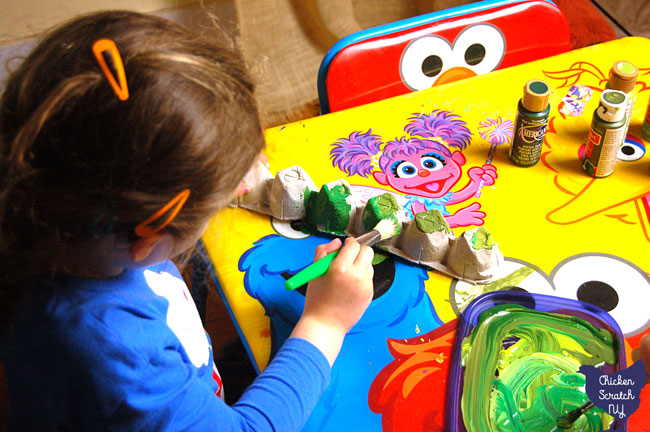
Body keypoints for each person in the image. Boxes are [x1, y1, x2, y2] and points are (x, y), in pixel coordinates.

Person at [0, 10, 374, 431]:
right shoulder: (119, 351)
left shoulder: (69, 219)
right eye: (218, 201)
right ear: (149, 236)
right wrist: (325, 323)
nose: (245, 186)